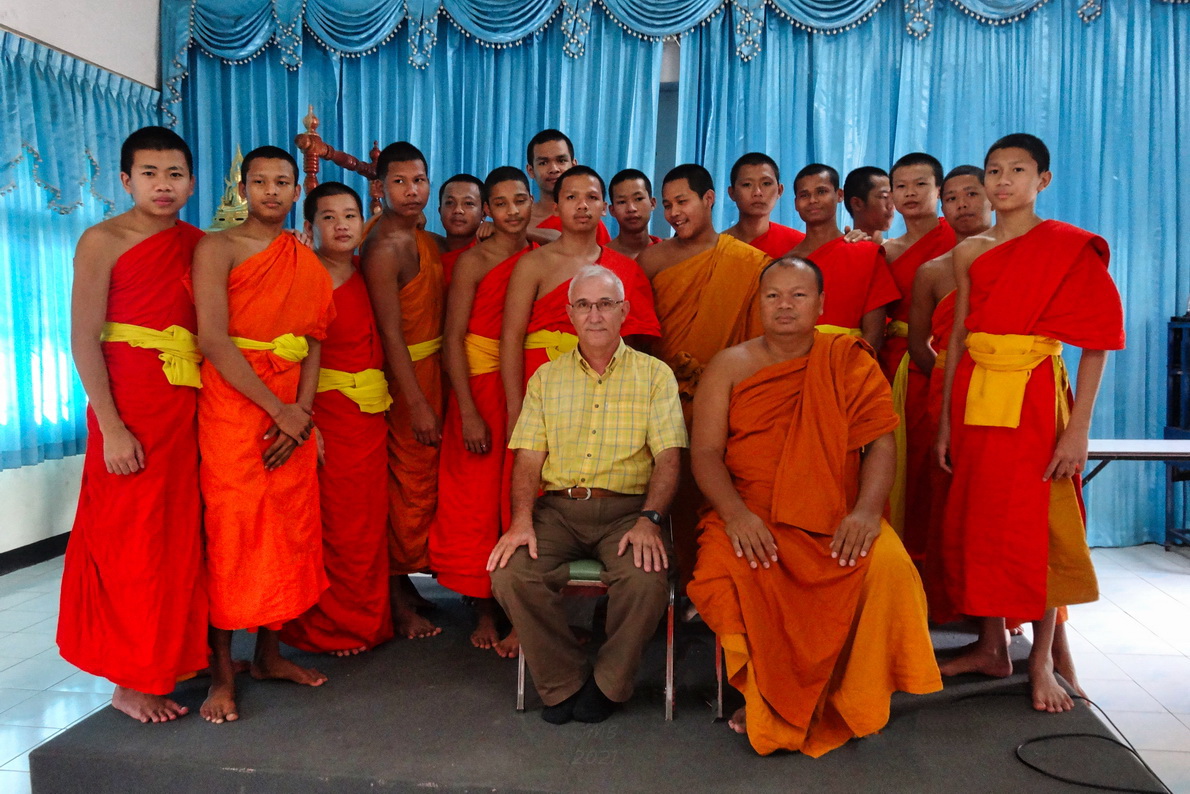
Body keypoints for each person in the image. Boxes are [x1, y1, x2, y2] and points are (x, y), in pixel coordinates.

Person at [688, 256, 941, 756]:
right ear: (758, 302)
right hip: (752, 512)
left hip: (837, 513)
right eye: (773, 296)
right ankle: (765, 697)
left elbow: (881, 445)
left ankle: (850, 697)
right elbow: (705, 453)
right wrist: (737, 515)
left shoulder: (846, 358)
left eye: (798, 295)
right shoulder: (730, 364)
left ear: (822, 304)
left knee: (888, 566)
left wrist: (868, 512)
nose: (785, 305)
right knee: (724, 569)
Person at [935, 134, 1125, 712]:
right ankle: (992, 645)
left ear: (1042, 179)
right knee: (981, 519)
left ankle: (1040, 658)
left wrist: (1078, 430)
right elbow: (959, 338)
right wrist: (944, 422)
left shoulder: (1066, 246)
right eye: (994, 170)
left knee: (1035, 526)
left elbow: (1096, 342)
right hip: (974, 394)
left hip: (1037, 395)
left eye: (1017, 170)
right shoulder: (971, 251)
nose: (1002, 181)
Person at [488, 265, 686, 724]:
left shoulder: (655, 376)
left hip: (627, 512)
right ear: (569, 315)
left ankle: (608, 684)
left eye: (605, 304)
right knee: (510, 573)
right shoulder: (546, 379)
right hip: (558, 511)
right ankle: (563, 681)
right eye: (584, 305)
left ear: (624, 312)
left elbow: (670, 459)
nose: (594, 315)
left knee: (646, 579)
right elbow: (528, 461)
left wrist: (649, 520)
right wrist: (521, 522)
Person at [58, 126, 208, 723]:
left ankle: (171, 658)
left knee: (180, 538)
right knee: (131, 541)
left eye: (174, 174)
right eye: (149, 173)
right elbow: (83, 338)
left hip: (187, 406)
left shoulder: (200, 244)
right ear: (125, 180)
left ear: (191, 181)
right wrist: (112, 427)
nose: (163, 185)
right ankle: (129, 678)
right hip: (130, 407)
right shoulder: (103, 240)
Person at [192, 145, 335, 723]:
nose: (272, 191)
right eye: (260, 182)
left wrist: (301, 414)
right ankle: (223, 673)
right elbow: (213, 340)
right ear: (242, 188)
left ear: (297, 191)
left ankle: (271, 655)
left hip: (291, 413)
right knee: (234, 533)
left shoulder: (305, 260)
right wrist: (278, 410)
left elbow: (315, 341)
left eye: (282, 182)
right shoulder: (217, 247)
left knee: (289, 530)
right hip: (235, 404)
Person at [636, 163, 771, 585]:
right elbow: (638, 336)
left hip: (723, 401)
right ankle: (657, 587)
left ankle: (713, 584)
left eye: (684, 202)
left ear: (708, 199)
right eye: (669, 205)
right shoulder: (652, 259)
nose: (675, 213)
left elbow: (758, 342)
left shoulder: (747, 263)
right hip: (661, 397)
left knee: (717, 489)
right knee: (657, 488)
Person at [279, 182, 394, 657]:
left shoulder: (371, 272)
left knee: (368, 521)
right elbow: (289, 355)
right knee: (334, 525)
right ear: (309, 226)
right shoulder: (302, 275)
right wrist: (307, 421)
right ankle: (329, 627)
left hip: (369, 413)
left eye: (350, 215)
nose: (342, 225)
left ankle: (369, 619)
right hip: (324, 414)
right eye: (328, 217)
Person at [431, 167, 536, 656]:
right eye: (501, 203)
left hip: (529, 388)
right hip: (479, 390)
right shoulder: (474, 262)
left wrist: (534, 232)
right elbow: (451, 339)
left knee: (521, 494)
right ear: (487, 212)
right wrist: (468, 411)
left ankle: (523, 606)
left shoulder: (543, 256)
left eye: (520, 200)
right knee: (475, 501)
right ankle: (483, 607)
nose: (512, 211)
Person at [500, 165, 660, 435]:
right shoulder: (533, 264)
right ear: (556, 207)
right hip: (542, 382)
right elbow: (511, 338)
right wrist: (516, 409)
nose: (582, 206)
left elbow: (637, 345)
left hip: (608, 389)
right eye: (572, 198)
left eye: (592, 198)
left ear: (604, 207)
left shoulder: (625, 269)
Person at [360, 141, 446, 639]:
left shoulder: (423, 239)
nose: (411, 191)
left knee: (425, 485)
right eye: (399, 182)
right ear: (379, 188)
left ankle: (408, 587)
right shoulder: (382, 246)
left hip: (433, 370)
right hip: (404, 382)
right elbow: (391, 334)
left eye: (418, 181)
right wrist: (415, 403)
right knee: (401, 489)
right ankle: (395, 597)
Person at [906, 165, 992, 618]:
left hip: (1007, 392)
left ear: (992, 197)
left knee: (999, 509)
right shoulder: (933, 271)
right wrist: (950, 380)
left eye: (971, 194)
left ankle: (1005, 613)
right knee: (945, 502)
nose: (962, 205)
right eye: (953, 198)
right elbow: (920, 342)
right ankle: (951, 604)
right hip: (943, 395)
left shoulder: (1016, 256)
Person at [880, 153, 957, 555]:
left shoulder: (959, 242)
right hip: (894, 368)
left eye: (920, 184)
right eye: (901, 186)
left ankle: (948, 588)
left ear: (939, 191)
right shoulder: (883, 248)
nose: (910, 193)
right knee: (899, 469)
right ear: (890, 193)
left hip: (945, 364)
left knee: (939, 468)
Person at [782, 163, 899, 350]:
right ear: (796, 203)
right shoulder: (786, 263)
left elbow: (874, 335)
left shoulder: (865, 253)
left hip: (852, 366)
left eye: (821, 192)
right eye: (804, 195)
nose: (813, 200)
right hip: (795, 366)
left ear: (839, 195)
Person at [524, 129, 610, 245]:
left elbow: (606, 260)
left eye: (561, 161)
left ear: (573, 165)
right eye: (543, 163)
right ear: (531, 170)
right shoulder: (518, 217)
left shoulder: (586, 218)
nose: (554, 169)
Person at [722, 152, 805, 257]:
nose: (757, 192)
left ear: (779, 191)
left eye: (766, 184)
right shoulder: (716, 248)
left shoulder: (800, 245)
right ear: (731, 193)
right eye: (747, 184)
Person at [438, 173, 485, 283]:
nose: (458, 210)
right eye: (450, 203)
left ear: (483, 213)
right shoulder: (426, 250)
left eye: (468, 203)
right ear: (440, 211)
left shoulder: (491, 255)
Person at [606, 168, 661, 260]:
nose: (631, 208)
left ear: (652, 203)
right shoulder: (602, 259)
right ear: (612, 210)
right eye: (622, 202)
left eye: (638, 199)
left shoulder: (667, 254)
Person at [843, 166, 894, 243]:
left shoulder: (897, 251)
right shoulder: (841, 249)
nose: (891, 206)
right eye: (884, 196)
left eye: (893, 197)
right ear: (857, 204)